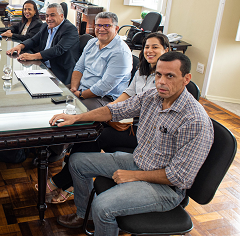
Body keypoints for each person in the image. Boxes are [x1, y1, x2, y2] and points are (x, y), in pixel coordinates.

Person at [50, 52, 214, 235]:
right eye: (158, 74)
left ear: (186, 79)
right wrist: (76, 118)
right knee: (77, 162)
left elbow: (179, 177)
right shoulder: (152, 96)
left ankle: (100, 218)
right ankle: (85, 216)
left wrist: (135, 175)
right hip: (141, 162)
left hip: (166, 189)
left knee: (102, 205)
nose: (161, 81)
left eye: (170, 76)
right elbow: (114, 111)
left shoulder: (194, 120)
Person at [43, 32, 170, 204]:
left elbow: (143, 109)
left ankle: (61, 182)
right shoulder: (143, 70)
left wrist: (113, 112)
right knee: (89, 133)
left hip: (145, 133)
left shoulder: (166, 80)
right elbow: (128, 93)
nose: (149, 51)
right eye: (147, 47)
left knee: (95, 135)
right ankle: (70, 183)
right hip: (129, 122)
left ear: (167, 50)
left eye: (155, 47)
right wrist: (110, 110)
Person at [70, 12, 132, 110]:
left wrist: (81, 95)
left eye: (107, 26)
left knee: (72, 112)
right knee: (53, 95)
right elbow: (79, 67)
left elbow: (105, 86)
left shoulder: (121, 53)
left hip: (104, 98)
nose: (101, 29)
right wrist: (74, 88)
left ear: (116, 29)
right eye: (98, 25)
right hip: (82, 89)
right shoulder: (92, 42)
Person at [6, 3, 79, 85]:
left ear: (61, 16)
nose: (49, 19)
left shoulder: (70, 29)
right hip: (43, 67)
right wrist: (20, 46)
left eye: (52, 15)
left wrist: (33, 56)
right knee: (23, 81)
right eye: (47, 16)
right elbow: (34, 40)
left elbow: (58, 49)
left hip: (59, 71)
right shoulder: (45, 26)